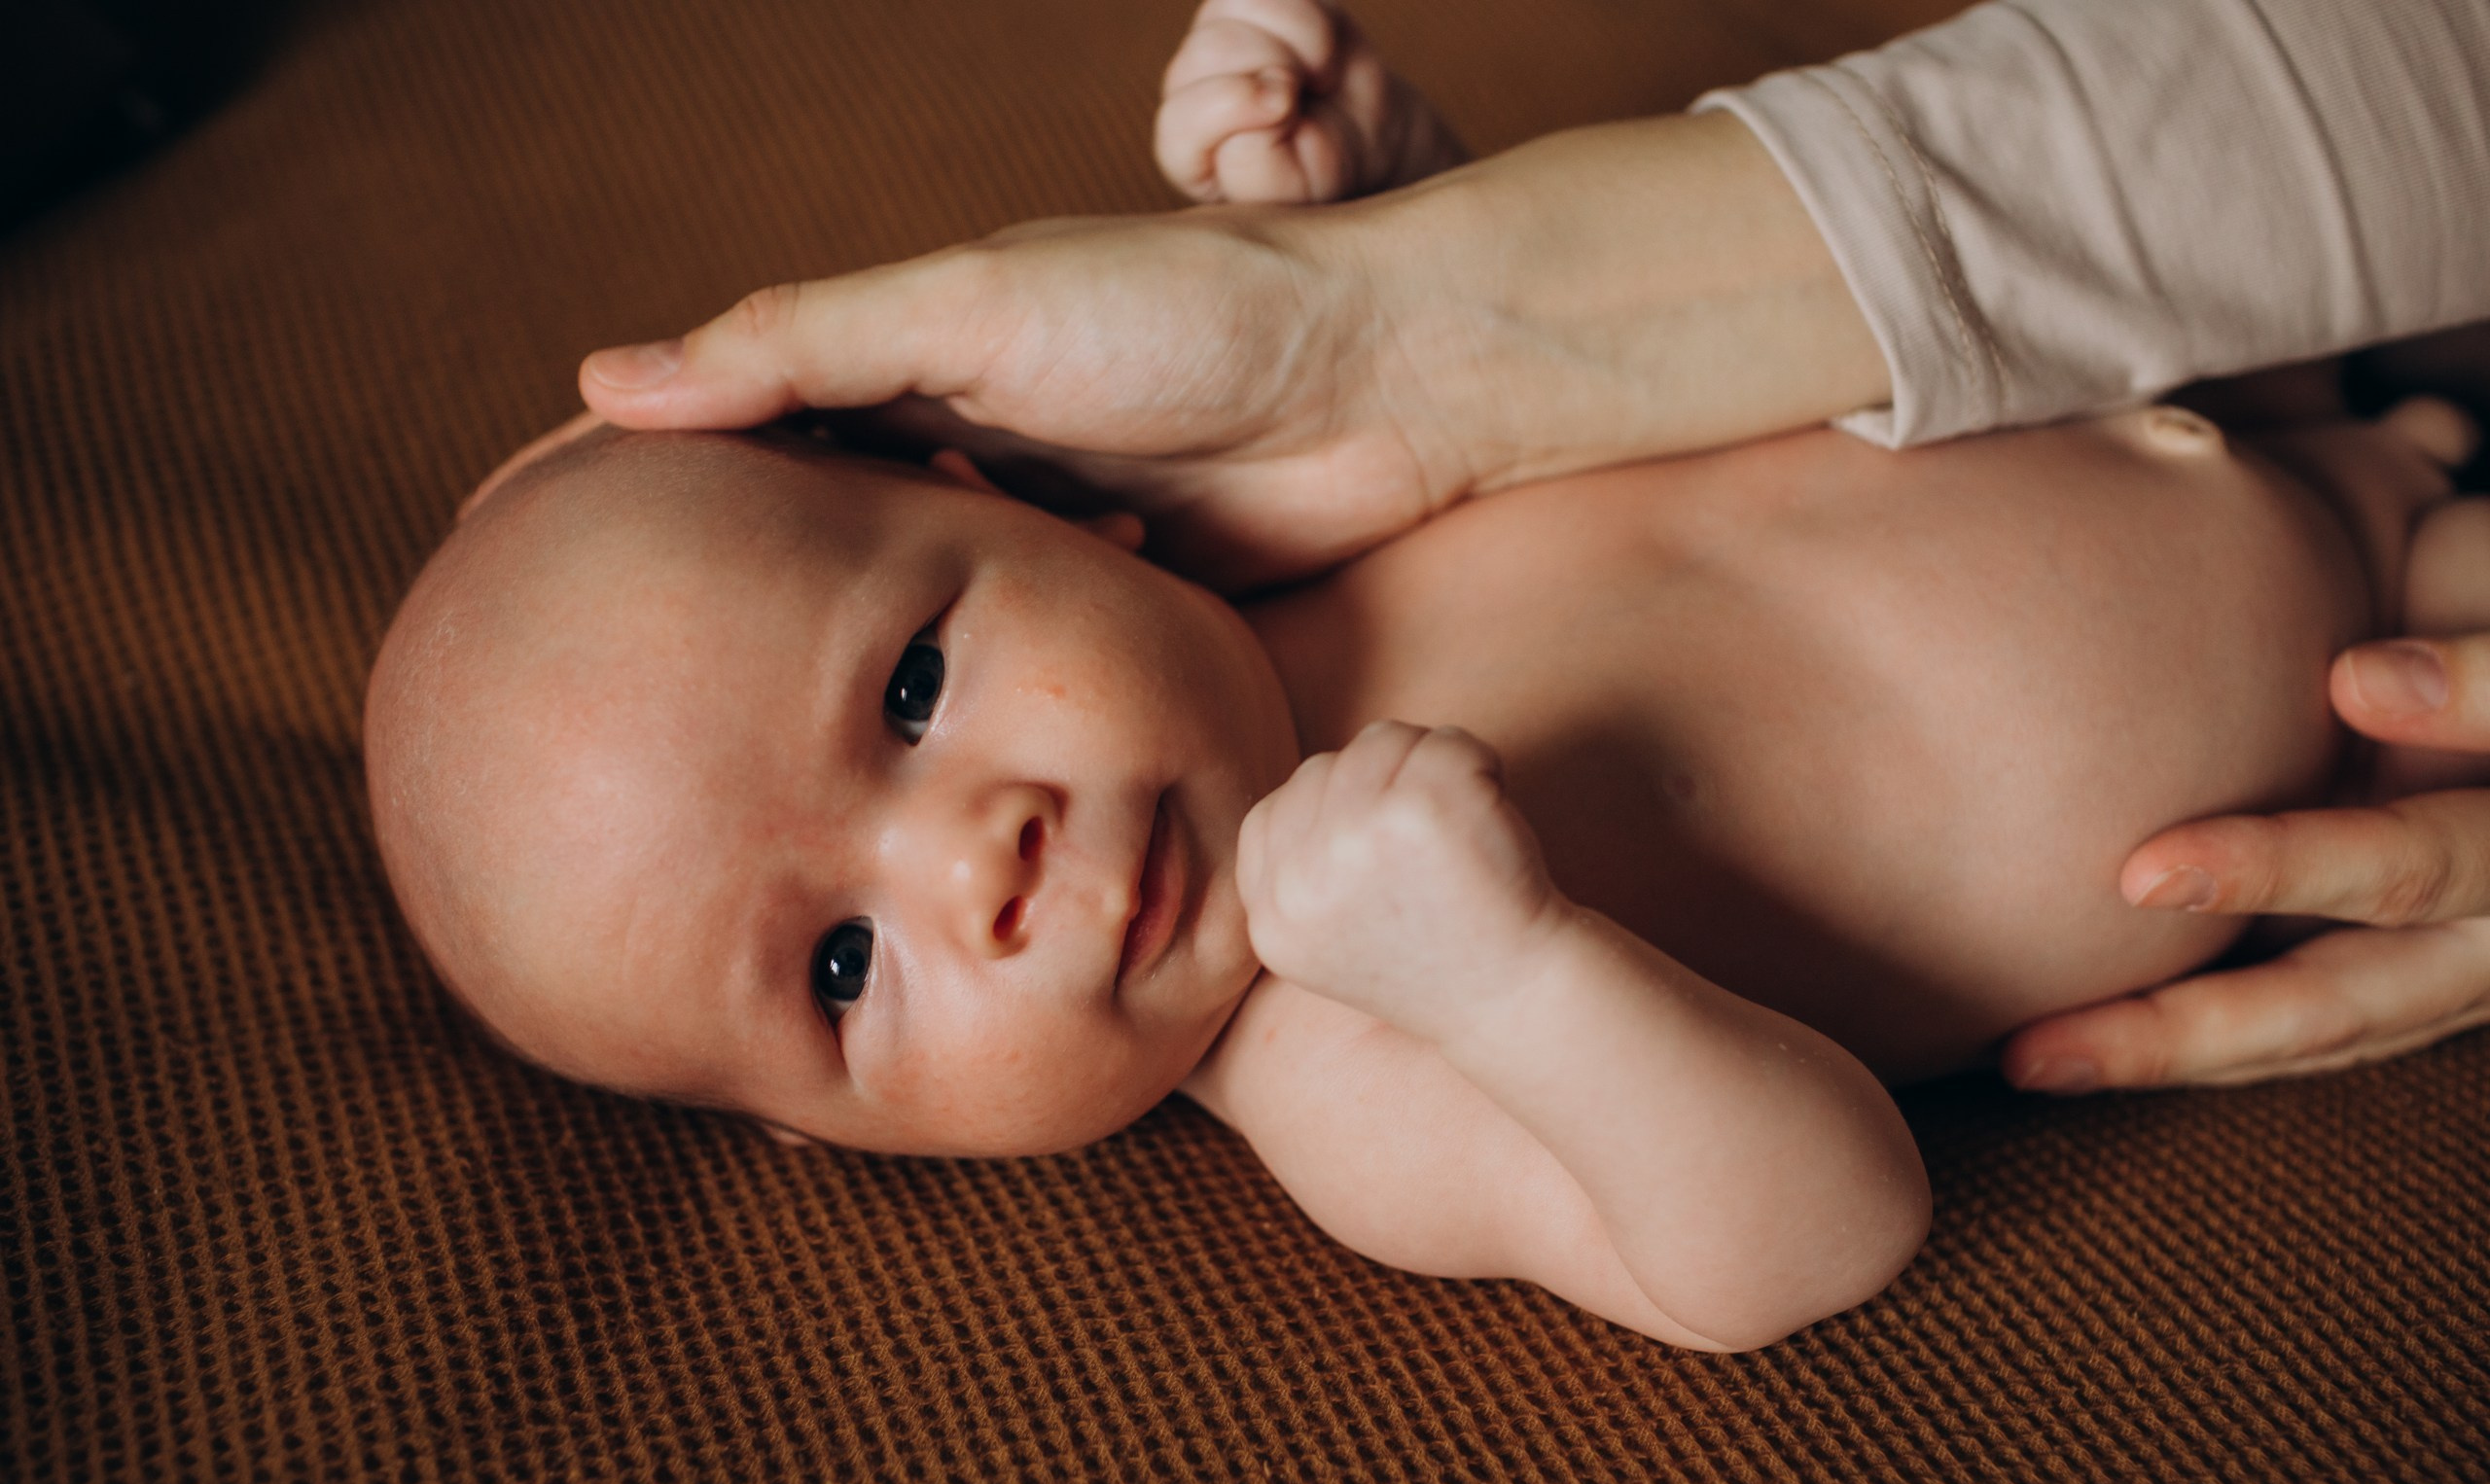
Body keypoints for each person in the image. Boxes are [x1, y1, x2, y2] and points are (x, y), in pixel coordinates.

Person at [568, 0, 2490, 1095]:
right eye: (841, 967)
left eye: (913, 687)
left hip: (2160, 335)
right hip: (2361, 685)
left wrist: (1391, 213)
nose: (971, 862)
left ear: (995, 500)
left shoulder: (1261, 547)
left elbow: (1588, 411)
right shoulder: (1350, 1039)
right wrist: (1515, 984)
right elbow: (1792, 1245)